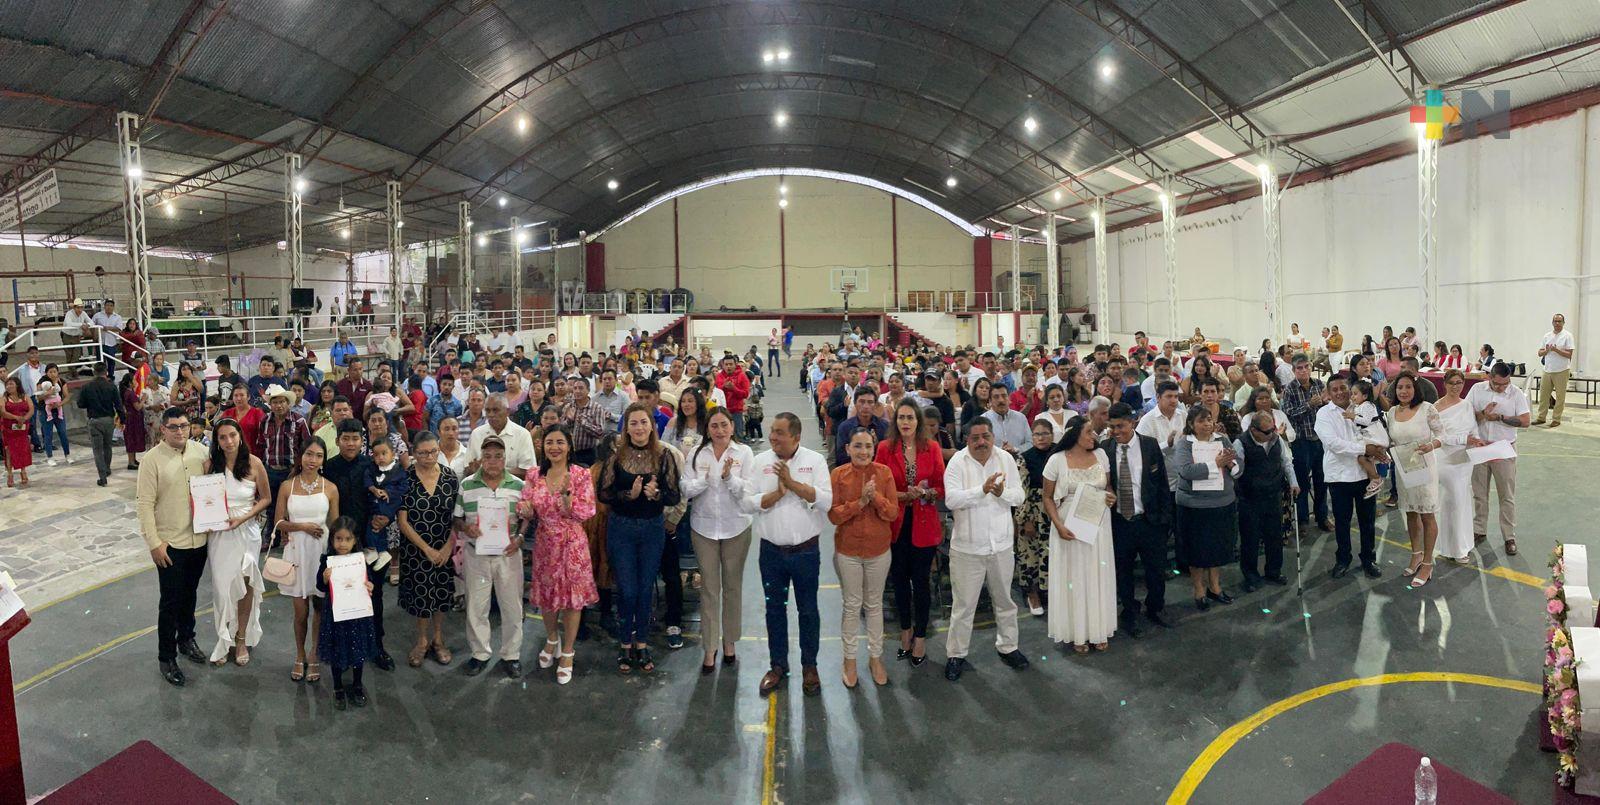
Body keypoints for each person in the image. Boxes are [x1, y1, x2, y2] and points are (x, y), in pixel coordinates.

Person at [744, 412, 831, 696]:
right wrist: (777, 495)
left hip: (806, 552)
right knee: (774, 609)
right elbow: (748, 502)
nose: (772, 437)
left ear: (796, 437)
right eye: (772, 431)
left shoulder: (814, 461)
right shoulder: (760, 462)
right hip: (771, 553)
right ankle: (778, 665)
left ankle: (810, 666)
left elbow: (826, 501)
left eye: (779, 432)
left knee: (808, 610)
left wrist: (792, 484)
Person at [941, 419, 1027, 682]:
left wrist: (1001, 493)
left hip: (1000, 544)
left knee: (1005, 601)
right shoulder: (957, 462)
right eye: (975, 437)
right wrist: (982, 490)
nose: (981, 442)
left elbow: (1019, 496)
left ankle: (1009, 647)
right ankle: (956, 654)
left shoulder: (1005, 459)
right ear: (966, 439)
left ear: (992, 437)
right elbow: (951, 499)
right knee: (964, 605)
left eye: (985, 436)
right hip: (967, 547)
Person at [599, 404, 681, 674]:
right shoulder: (616, 457)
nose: (639, 428)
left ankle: (642, 642)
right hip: (621, 529)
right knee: (627, 589)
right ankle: (625, 643)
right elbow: (604, 492)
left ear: (652, 426)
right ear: (626, 428)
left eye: (643, 422)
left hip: (652, 529)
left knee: (645, 589)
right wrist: (628, 496)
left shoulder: (664, 456)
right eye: (633, 423)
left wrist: (656, 495)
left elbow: (674, 496)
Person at [137, 406, 210, 686]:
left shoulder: (200, 453)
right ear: (163, 430)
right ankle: (166, 657)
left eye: (184, 425)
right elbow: (144, 504)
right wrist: (154, 543)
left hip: (198, 539)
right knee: (170, 602)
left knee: (190, 594)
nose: (180, 431)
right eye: (174, 427)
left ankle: (186, 639)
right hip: (170, 544)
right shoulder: (151, 460)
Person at [520, 425, 598, 685]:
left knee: (572, 600)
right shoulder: (534, 475)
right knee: (547, 596)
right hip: (544, 543)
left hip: (572, 543)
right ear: (542, 445)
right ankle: (552, 637)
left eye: (560, 442)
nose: (554, 447)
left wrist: (567, 501)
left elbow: (588, 511)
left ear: (569, 445)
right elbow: (525, 504)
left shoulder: (580, 474)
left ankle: (568, 651)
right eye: (549, 442)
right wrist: (526, 508)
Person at [680, 407, 755, 673]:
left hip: (737, 528)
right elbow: (685, 488)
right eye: (714, 426)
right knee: (710, 589)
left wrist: (729, 479)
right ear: (707, 429)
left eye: (724, 425)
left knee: (733, 587)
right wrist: (705, 480)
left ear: (732, 427)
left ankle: (730, 643)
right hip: (704, 529)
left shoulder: (744, 454)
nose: (720, 431)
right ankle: (709, 647)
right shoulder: (698, 454)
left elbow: (749, 491)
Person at [321, 418, 396, 672]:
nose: (351, 443)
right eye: (346, 438)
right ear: (337, 440)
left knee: (374, 594)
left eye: (355, 438)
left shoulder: (371, 465)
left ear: (362, 440)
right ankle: (342, 648)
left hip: (370, 540)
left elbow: (389, 493)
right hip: (341, 545)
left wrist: (386, 515)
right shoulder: (329, 468)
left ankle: (377, 646)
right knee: (341, 596)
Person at [875, 400, 945, 667]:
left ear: (918, 422)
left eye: (910, 418)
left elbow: (941, 486)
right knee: (900, 581)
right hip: (896, 525)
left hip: (924, 525)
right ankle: (905, 631)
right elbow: (879, 486)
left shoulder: (933, 448)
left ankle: (920, 636)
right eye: (901, 418)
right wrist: (902, 496)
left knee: (921, 583)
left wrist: (926, 493)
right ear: (896, 422)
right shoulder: (884, 448)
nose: (905, 422)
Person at [825, 428, 896, 688]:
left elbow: (891, 513)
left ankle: (876, 657)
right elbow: (833, 515)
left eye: (868, 446)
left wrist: (874, 497)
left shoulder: (884, 473)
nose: (863, 451)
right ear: (847, 449)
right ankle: (850, 659)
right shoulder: (838, 475)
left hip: (878, 551)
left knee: (874, 605)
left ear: (874, 448)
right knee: (852, 605)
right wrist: (859, 503)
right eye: (857, 446)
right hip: (848, 551)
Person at [453, 436, 527, 678]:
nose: (493, 461)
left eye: (498, 456)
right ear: (480, 459)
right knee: (476, 606)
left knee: (512, 606)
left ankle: (511, 655)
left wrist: (521, 537)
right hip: (477, 554)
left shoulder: (518, 485)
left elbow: (527, 517)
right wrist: (466, 529)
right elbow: (457, 518)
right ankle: (480, 653)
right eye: (487, 456)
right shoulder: (467, 485)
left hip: (509, 554)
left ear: (505, 458)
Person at [1041, 417, 1116, 653]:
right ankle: (1078, 633)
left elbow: (1108, 487)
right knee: (1074, 578)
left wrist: (1111, 497)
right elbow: (1047, 497)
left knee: (1097, 574)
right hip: (1069, 526)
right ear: (1074, 434)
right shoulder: (1056, 460)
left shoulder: (1101, 456)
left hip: (1098, 523)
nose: (1093, 436)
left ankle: (1098, 629)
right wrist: (1059, 526)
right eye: (1089, 432)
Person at [202, 419, 272, 667]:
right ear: (217, 441)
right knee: (222, 588)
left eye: (232, 435)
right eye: (222, 437)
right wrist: (206, 519)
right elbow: (203, 500)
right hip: (220, 535)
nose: (229, 441)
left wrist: (244, 517)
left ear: (240, 435)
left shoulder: (254, 464)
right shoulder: (210, 466)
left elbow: (266, 498)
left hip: (247, 532)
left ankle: (241, 638)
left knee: (245, 584)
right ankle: (223, 638)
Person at [1101, 402, 1172, 636]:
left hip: (1149, 521)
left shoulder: (1149, 446)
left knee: (1156, 570)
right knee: (1124, 573)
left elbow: (1161, 483)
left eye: (1120, 426)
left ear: (1132, 422)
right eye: (1112, 427)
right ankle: (1129, 613)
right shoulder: (1105, 449)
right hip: (1120, 522)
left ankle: (1155, 607)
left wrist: (1164, 520)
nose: (1116, 431)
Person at [273, 435, 339, 683]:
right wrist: (302, 527)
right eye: (309, 454)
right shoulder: (287, 486)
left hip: (321, 553)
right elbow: (279, 522)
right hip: (297, 554)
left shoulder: (330, 488)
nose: (313, 460)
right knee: (300, 612)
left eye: (318, 456)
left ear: (323, 460)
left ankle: (314, 653)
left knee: (320, 609)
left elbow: (335, 525)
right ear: (301, 456)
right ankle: (299, 655)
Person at [1386, 372, 1454, 588]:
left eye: (1408, 387)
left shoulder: (1427, 408)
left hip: (1424, 467)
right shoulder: (1391, 412)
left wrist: (1431, 446)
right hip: (1403, 469)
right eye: (1400, 388)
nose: (1404, 391)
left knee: (1426, 514)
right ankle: (1416, 554)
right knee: (1411, 513)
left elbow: (1442, 435)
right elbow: (1389, 439)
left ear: (1415, 389)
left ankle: (1427, 562)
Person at [397, 430, 459, 667]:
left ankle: (438, 639)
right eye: (422, 453)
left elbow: (457, 517)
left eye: (433, 451)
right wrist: (426, 549)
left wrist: (446, 547)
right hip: (416, 549)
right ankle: (422, 640)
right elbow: (403, 522)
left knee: (441, 595)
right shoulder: (406, 478)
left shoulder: (450, 477)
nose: (429, 456)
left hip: (444, 547)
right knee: (421, 597)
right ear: (414, 453)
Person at [1170, 406, 1240, 609]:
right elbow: (1187, 471)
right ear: (1191, 424)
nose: (1207, 424)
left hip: (1221, 502)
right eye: (1201, 421)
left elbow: (1238, 465)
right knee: (1197, 549)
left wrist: (1231, 465)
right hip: (1194, 505)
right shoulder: (1184, 443)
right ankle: (1199, 589)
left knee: (1217, 547)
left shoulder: (1222, 439)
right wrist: (1215, 463)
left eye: (1209, 420)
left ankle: (1215, 586)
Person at [1314, 374, 1384, 579]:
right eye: (1334, 389)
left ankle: (1368, 559)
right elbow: (1334, 444)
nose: (1340, 392)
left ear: (1350, 388)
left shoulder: (1363, 409)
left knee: (1367, 521)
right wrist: (1365, 448)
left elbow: (1375, 430)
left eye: (1343, 388)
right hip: (1339, 476)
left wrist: (1377, 448)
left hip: (1365, 475)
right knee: (1342, 522)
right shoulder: (1324, 414)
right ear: (1328, 392)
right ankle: (1343, 559)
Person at [316, 517, 379, 710]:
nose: (342, 544)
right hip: (335, 614)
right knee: (336, 649)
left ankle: (357, 684)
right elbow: (319, 585)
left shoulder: (360, 561)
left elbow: (370, 583)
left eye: (347, 539)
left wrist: (370, 586)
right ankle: (337, 687)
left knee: (357, 647)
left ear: (355, 540)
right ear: (332, 540)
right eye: (338, 539)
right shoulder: (326, 561)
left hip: (357, 614)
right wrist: (325, 580)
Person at [1468, 361, 1530, 556]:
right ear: (1489, 378)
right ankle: (1479, 530)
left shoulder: (1516, 393)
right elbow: (1467, 416)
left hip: (1504, 449)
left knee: (1507, 495)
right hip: (1481, 447)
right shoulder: (1477, 390)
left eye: (1506, 383)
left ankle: (1509, 536)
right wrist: (1483, 415)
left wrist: (1501, 418)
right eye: (1498, 384)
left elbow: (1525, 421)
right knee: (1479, 493)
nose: (1503, 387)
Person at [1233, 410, 1297, 592]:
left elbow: (1286, 462)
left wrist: (1293, 482)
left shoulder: (1276, 440)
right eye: (1267, 431)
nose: (1272, 434)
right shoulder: (1241, 443)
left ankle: (1274, 571)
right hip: (1249, 498)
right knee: (1250, 539)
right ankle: (1250, 575)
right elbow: (1237, 471)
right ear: (1254, 430)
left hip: (1273, 495)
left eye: (1273, 429)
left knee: (1274, 537)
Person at [1280, 356, 1331, 532]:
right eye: (1299, 368)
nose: (1303, 370)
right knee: (1302, 483)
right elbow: (1288, 413)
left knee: (1322, 481)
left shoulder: (1319, 385)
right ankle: (1302, 520)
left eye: (1306, 367)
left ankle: (1322, 516)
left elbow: (1328, 409)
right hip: (1301, 442)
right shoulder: (1289, 389)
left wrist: (1325, 402)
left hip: (1321, 440)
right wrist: (1309, 405)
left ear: (1310, 368)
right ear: (1294, 371)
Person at [1433, 370, 1477, 564]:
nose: (1456, 387)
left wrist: (1474, 441)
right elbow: (1438, 437)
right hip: (1446, 460)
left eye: (1459, 383)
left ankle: (1461, 545)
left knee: (1463, 501)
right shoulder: (1435, 408)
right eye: (1452, 383)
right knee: (1451, 502)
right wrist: (1462, 439)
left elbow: (1473, 428)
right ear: (1445, 384)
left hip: (1465, 460)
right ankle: (1452, 548)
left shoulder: (1467, 405)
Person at [1014, 418, 1055, 617]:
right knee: (1030, 555)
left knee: (1052, 554)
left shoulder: (1059, 453)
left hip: (1055, 509)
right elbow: (1021, 490)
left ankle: (1052, 593)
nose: (1041, 438)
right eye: (1037, 434)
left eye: (1045, 433)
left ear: (1052, 435)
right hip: (1032, 510)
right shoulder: (1025, 457)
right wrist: (1026, 519)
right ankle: (1033, 594)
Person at [76, 363, 120, 486]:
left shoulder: (86, 386)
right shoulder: (111, 386)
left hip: (94, 420)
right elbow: (118, 405)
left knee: (97, 450)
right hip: (108, 419)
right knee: (108, 446)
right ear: (106, 372)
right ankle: (107, 469)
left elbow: (80, 404)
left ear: (94, 372)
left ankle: (102, 477)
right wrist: (123, 420)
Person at [1348, 379, 1388, 498]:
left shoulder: (1368, 405)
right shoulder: (1358, 406)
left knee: (1361, 457)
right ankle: (1374, 480)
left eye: (1355, 394)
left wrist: (1352, 416)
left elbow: (1365, 421)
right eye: (1352, 394)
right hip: (1368, 436)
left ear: (1365, 396)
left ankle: (1376, 478)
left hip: (1374, 436)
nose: (1352, 397)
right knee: (1363, 459)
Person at [1536, 313, 1575, 428]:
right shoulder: (1547, 336)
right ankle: (1541, 417)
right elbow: (1539, 353)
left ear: (1563, 323)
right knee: (1543, 395)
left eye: (1560, 321)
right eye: (1555, 321)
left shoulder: (1568, 336)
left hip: (1562, 370)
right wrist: (1547, 351)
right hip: (1547, 369)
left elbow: (1569, 355)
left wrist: (1556, 350)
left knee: (1560, 396)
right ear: (1552, 322)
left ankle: (1556, 419)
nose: (1557, 323)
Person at [833, 386, 888, 466]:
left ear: (875, 405)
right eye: (862, 402)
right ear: (855, 404)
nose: (866, 406)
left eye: (870, 402)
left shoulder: (884, 426)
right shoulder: (845, 427)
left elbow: (888, 456)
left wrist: (876, 446)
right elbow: (840, 457)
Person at [1136, 381, 1185, 452]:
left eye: (1176, 397)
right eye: (1169, 396)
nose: (1173, 400)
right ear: (1158, 397)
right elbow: (1142, 449)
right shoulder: (1147, 420)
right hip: (1159, 462)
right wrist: (1167, 444)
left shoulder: (1183, 415)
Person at [982, 382, 1032, 452]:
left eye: (1004, 396)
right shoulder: (983, 420)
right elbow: (981, 447)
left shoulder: (1021, 418)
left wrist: (1015, 449)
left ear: (1009, 399)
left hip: (1019, 460)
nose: (1001, 400)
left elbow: (1030, 443)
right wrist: (1000, 452)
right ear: (990, 401)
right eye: (996, 397)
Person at [2, 377, 32, 488]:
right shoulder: (4, 398)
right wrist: (16, 417)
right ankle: (10, 474)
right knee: (9, 451)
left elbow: (31, 409)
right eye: (7, 385)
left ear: (17, 385)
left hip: (22, 427)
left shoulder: (25, 397)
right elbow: (3, 412)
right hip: (9, 428)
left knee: (22, 449)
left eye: (11, 384)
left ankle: (23, 471)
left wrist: (23, 419)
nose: (8, 386)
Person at [119, 369, 147, 471]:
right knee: (131, 439)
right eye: (134, 381)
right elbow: (138, 407)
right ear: (130, 383)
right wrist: (143, 399)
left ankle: (133, 460)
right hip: (132, 420)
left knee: (133, 439)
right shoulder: (130, 394)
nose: (136, 382)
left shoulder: (128, 392)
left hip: (133, 419)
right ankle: (131, 462)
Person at [92, 299, 124, 375]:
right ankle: (100, 376)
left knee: (111, 361)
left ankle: (110, 376)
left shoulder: (117, 317)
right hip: (100, 342)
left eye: (111, 305)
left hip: (111, 343)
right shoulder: (97, 315)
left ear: (113, 307)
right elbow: (91, 324)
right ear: (104, 306)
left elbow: (119, 328)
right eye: (107, 305)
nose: (109, 307)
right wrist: (94, 336)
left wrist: (109, 328)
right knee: (100, 362)